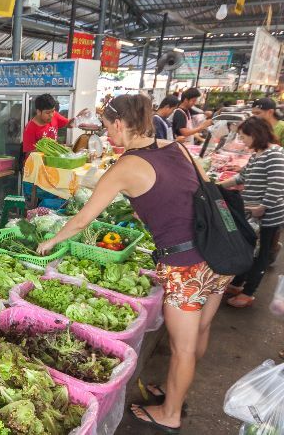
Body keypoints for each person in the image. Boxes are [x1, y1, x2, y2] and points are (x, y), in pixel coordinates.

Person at [36, 94, 232, 433]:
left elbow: (83, 220)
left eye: (108, 127)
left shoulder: (126, 166)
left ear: (121, 123)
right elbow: (205, 188)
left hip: (186, 265)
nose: (107, 135)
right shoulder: (177, 147)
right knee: (200, 331)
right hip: (218, 253)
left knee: (181, 347)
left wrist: (51, 240)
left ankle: (171, 412)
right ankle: (174, 387)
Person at [219, 117, 284, 308]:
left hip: (268, 216)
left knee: (261, 253)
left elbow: (277, 184)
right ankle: (238, 283)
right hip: (253, 213)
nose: (242, 141)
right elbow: (242, 176)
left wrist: (263, 207)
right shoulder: (258, 154)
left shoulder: (275, 154)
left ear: (255, 134)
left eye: (244, 136)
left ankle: (249, 293)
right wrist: (216, 187)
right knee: (248, 248)